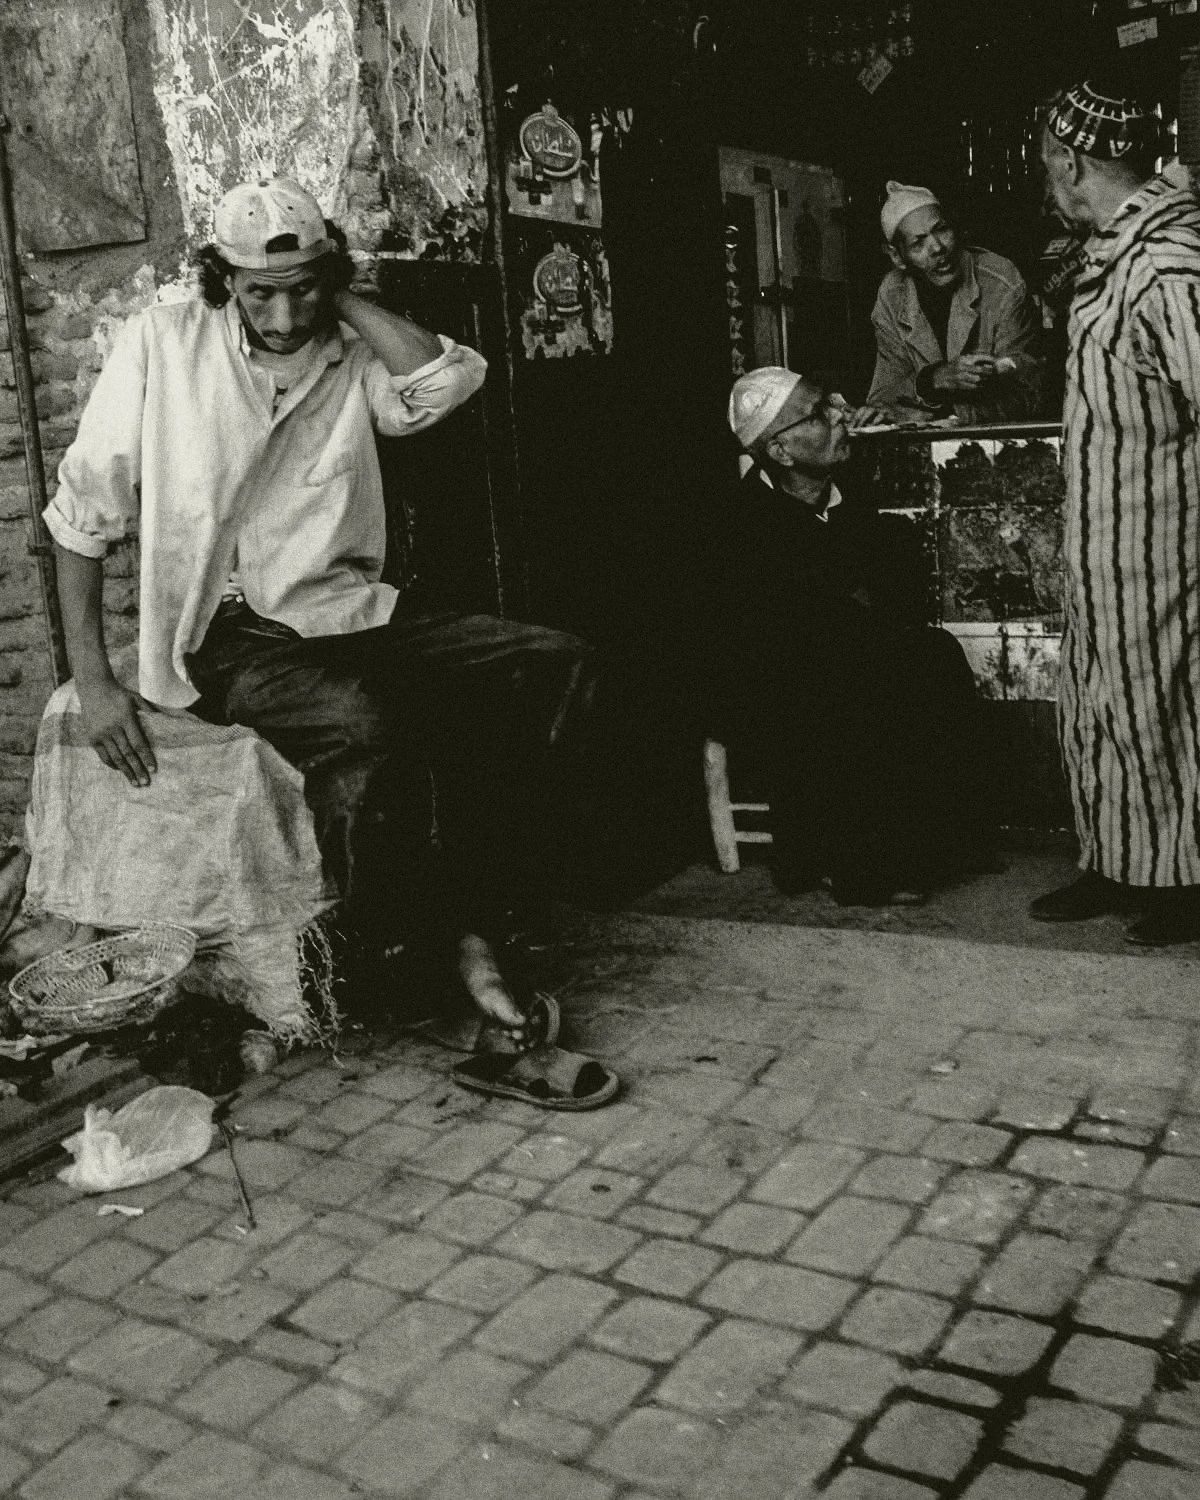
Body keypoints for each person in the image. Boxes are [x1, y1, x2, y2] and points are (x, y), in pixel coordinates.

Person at [45, 176, 594, 1035]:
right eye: (259, 291)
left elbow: (446, 381)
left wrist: (341, 297)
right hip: (225, 634)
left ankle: (478, 910)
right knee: (362, 723)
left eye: (303, 289)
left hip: (348, 611)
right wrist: (95, 680)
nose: (284, 315)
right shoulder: (163, 345)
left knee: (552, 661)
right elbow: (83, 514)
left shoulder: (350, 351)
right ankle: (402, 947)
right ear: (224, 279)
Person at [714, 365, 988, 904]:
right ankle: (855, 864)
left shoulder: (848, 496)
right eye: (819, 414)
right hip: (774, 681)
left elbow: (882, 594)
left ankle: (938, 840)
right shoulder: (742, 523)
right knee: (849, 678)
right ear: (782, 451)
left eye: (832, 404)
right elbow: (773, 634)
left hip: (845, 656)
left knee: (931, 653)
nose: (841, 417)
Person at [1030, 83, 1200, 945]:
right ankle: (1116, 857)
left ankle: (1183, 879)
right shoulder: (1114, 253)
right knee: (1099, 704)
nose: (1046, 183)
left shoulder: (1168, 264)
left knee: (1162, 710)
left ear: (1070, 161)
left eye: (1046, 166)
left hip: (1161, 549)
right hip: (1104, 550)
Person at [863, 181, 1042, 426]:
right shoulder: (892, 295)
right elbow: (885, 398)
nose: (938, 247)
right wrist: (933, 380)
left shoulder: (1001, 281)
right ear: (897, 256)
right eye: (918, 243)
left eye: (941, 230)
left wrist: (939, 412)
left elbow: (1028, 393)